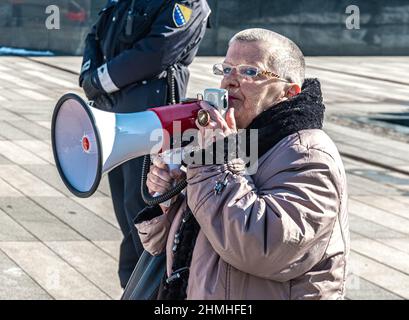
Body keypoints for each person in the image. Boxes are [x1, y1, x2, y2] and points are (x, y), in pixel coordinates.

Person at [135, 28, 350, 300]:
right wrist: (170, 197)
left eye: (250, 72)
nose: (230, 82)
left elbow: (263, 247)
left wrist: (215, 162)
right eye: (226, 70)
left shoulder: (308, 154)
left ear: (288, 92)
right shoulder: (237, 139)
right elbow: (161, 245)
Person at [79, 0, 211, 289]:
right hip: (113, 116)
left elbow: (156, 52)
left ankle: (155, 291)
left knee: (147, 214)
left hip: (152, 120)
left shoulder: (185, 4)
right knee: (127, 215)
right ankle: (132, 287)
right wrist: (88, 74)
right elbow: (95, 36)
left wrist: (100, 80)